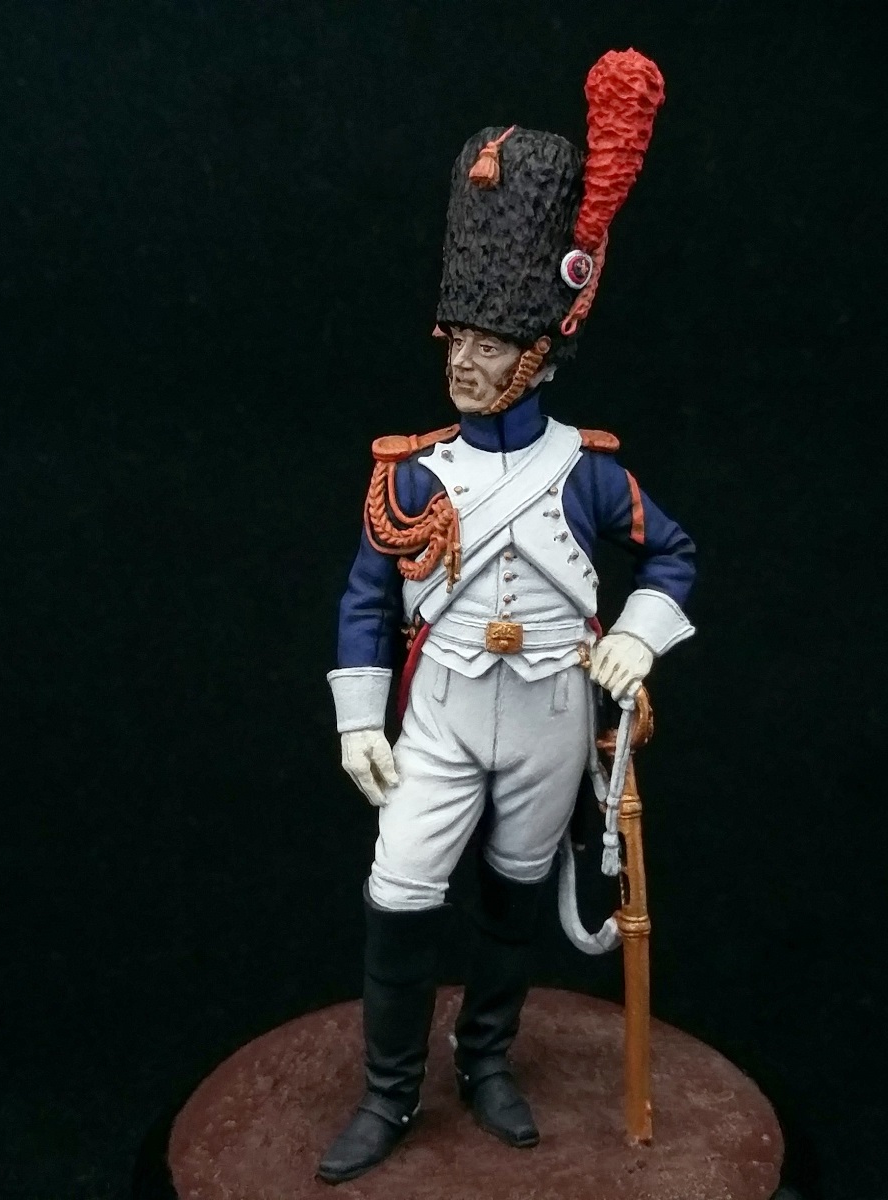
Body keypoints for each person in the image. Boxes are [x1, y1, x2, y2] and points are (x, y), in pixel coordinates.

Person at [318, 50, 696, 1185]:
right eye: (461, 343)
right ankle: (388, 1092)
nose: (467, 364)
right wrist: (358, 719)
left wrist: (634, 635)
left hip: (546, 717)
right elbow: (367, 594)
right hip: (438, 716)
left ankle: (486, 1062)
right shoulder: (414, 471)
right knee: (399, 889)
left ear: (535, 354)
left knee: (512, 900)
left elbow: (672, 554)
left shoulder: (586, 473)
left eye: (489, 348)